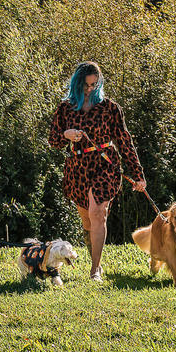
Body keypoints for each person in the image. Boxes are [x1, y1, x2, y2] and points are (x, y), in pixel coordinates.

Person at [48, 61, 146, 282]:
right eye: (86, 85)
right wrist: (66, 134)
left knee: (97, 213)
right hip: (77, 167)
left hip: (105, 165)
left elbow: (124, 141)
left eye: (94, 85)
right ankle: (96, 261)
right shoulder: (65, 107)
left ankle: (95, 270)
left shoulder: (110, 108)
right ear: (77, 84)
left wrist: (138, 174)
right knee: (87, 221)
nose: (90, 89)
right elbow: (53, 140)